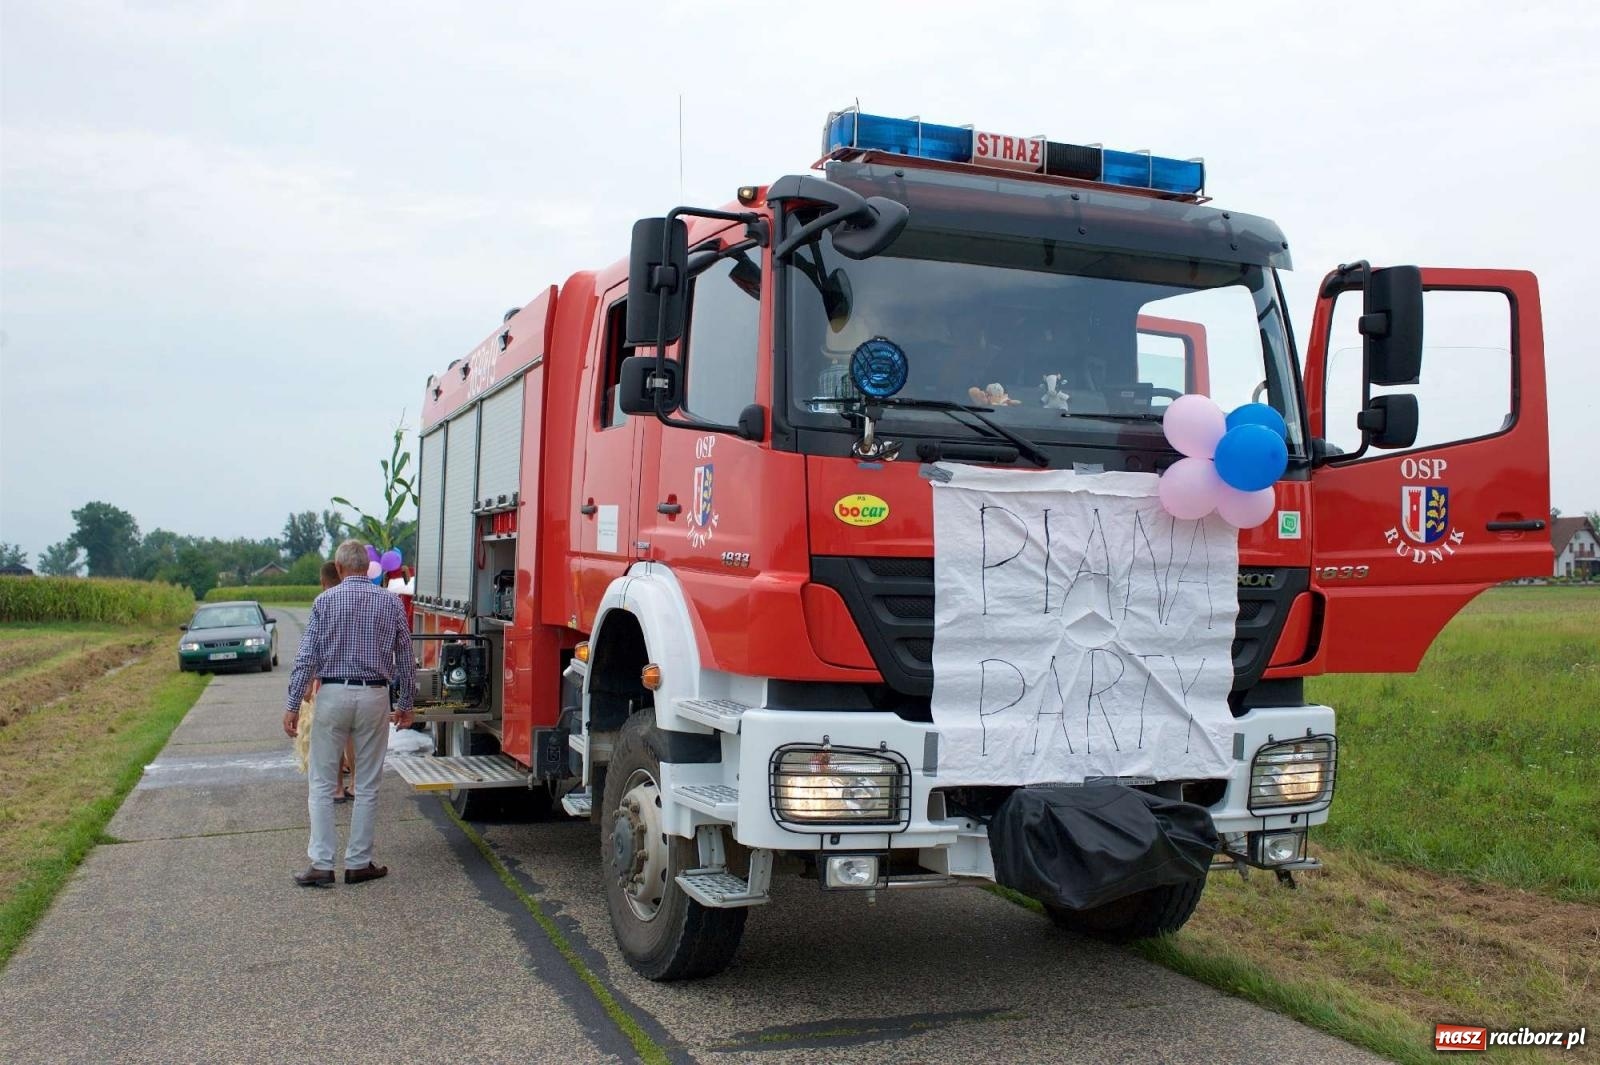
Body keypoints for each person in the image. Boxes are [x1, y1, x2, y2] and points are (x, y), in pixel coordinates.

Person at [283, 539, 416, 887]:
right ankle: (358, 862)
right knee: (368, 784)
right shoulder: (390, 603)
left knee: (322, 783)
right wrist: (406, 704)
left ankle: (322, 863)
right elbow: (405, 657)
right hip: (375, 694)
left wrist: (293, 703)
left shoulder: (324, 601)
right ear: (367, 568)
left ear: (339, 570)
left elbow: (307, 657)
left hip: (332, 693)